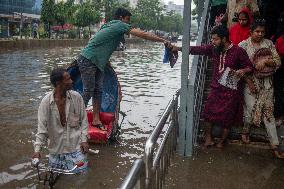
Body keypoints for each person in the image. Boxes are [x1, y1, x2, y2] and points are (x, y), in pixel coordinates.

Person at [78, 8, 168, 130]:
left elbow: (102, 48)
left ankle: (95, 119)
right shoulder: (120, 25)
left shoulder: (109, 25)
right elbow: (144, 34)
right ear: (121, 18)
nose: (128, 23)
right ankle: (74, 120)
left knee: (98, 91)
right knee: (89, 90)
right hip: (88, 60)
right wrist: (163, 40)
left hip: (97, 61)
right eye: (127, 20)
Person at [167, 25, 253, 148]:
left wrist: (242, 71)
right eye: (212, 39)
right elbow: (196, 49)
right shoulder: (213, 49)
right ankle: (208, 138)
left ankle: (222, 141)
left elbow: (250, 67)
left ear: (224, 39)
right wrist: (177, 48)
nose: (213, 41)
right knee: (207, 113)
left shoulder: (238, 51)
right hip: (216, 88)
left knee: (228, 118)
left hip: (231, 91)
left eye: (215, 39)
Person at [238, 20, 284, 158]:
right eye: (257, 31)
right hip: (250, 82)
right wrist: (249, 82)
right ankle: (245, 131)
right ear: (251, 32)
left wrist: (265, 61)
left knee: (268, 113)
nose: (260, 34)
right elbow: (238, 67)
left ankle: (274, 144)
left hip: (267, 83)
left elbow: (278, 61)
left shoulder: (269, 44)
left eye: (262, 32)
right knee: (250, 110)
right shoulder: (243, 45)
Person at [32, 68, 89, 173]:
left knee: (81, 179)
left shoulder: (77, 98)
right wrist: (37, 151)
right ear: (58, 83)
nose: (71, 81)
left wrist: (84, 140)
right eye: (68, 79)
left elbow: (84, 121)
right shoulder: (45, 103)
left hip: (75, 149)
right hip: (56, 151)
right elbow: (42, 130)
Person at [272, 12, 284, 126]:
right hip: (279, 69)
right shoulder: (278, 38)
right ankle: (279, 116)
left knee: (279, 92)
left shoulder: (277, 37)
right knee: (279, 92)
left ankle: (279, 116)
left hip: (278, 69)